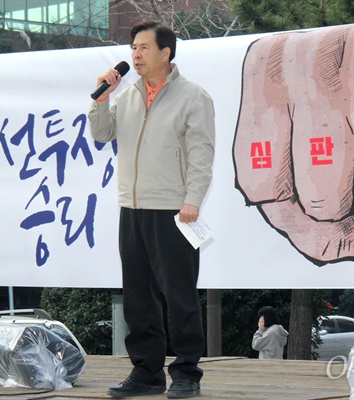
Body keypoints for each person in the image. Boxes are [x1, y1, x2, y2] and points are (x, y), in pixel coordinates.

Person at [88, 21, 215, 399]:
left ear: (166, 53)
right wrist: (100, 99)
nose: (136, 55)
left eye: (144, 48)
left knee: (179, 295)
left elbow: (201, 154)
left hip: (173, 209)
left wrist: (192, 198)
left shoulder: (193, 97)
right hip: (132, 207)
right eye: (133, 49)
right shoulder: (125, 96)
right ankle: (146, 373)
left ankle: (187, 373)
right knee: (138, 295)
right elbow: (101, 133)